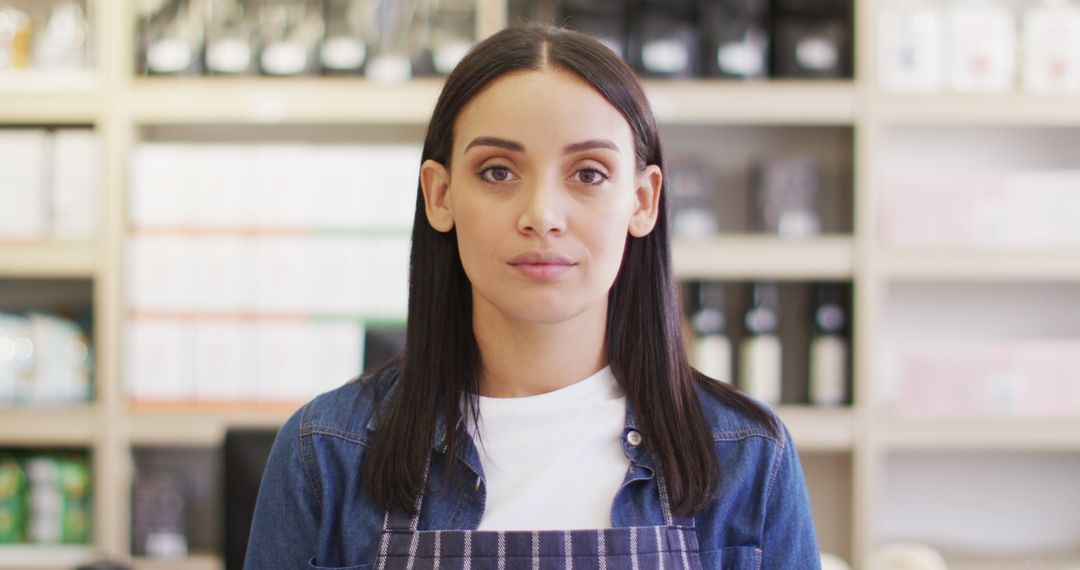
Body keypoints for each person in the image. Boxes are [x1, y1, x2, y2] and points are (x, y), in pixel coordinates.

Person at [245, 23, 820, 570]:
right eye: (498, 172)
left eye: (589, 174)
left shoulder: (747, 459)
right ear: (440, 195)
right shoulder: (325, 455)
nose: (542, 215)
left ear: (642, 202)